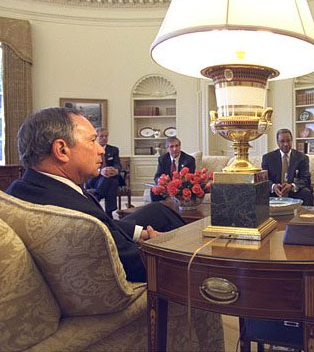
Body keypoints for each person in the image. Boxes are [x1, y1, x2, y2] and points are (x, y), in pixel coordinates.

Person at [7, 107, 187, 283]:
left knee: (157, 210)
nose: (101, 150)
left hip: (111, 231)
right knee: (174, 226)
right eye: (93, 141)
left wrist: (140, 233)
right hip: (135, 272)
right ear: (61, 150)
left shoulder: (20, 189)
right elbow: (135, 263)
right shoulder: (75, 215)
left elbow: (104, 224)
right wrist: (156, 246)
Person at [262, 128, 314, 206]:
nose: (286, 144)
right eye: (282, 141)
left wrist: (292, 186)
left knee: (306, 192)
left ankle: (307, 217)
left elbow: (305, 179)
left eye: (288, 141)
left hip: (294, 191)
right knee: (260, 193)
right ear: (277, 142)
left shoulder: (302, 158)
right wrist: (273, 186)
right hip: (275, 193)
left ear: (291, 141)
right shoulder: (268, 158)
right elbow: (264, 180)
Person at [85, 127, 121, 218]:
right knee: (112, 182)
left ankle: (97, 197)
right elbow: (87, 166)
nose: (104, 138)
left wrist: (115, 170)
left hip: (111, 176)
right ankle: (109, 214)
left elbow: (118, 164)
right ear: (96, 138)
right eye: (101, 136)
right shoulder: (90, 150)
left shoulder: (113, 150)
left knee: (111, 180)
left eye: (106, 136)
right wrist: (100, 171)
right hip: (95, 178)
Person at [151, 136, 196, 202]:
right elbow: (157, 176)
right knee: (153, 191)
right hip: (167, 187)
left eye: (177, 146)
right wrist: (161, 180)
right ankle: (159, 211)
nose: (175, 149)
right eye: (171, 147)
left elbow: (191, 177)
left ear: (180, 147)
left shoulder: (189, 160)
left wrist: (179, 183)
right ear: (167, 149)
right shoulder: (162, 159)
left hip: (183, 186)